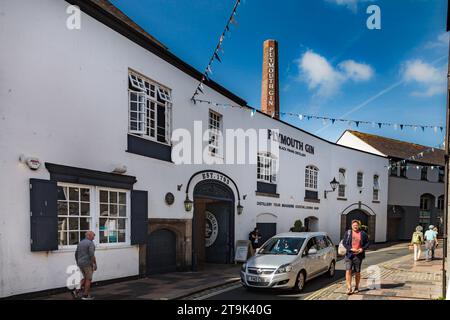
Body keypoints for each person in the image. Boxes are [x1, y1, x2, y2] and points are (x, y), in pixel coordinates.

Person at [343, 220, 369, 295]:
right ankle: (349, 287)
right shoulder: (348, 233)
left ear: (359, 226)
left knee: (357, 271)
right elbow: (344, 243)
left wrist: (362, 249)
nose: (355, 226)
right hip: (349, 255)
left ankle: (357, 287)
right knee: (348, 270)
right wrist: (350, 249)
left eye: (356, 225)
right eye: (353, 225)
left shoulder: (363, 233)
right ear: (351, 226)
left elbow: (367, 243)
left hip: (358, 255)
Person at [72, 231, 97, 300]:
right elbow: (92, 255)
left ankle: (75, 291)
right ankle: (85, 296)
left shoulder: (80, 243)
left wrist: (78, 262)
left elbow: (76, 254)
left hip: (80, 263)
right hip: (87, 263)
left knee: (86, 278)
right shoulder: (90, 243)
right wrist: (94, 264)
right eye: (93, 235)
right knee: (89, 279)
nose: (94, 237)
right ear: (88, 235)